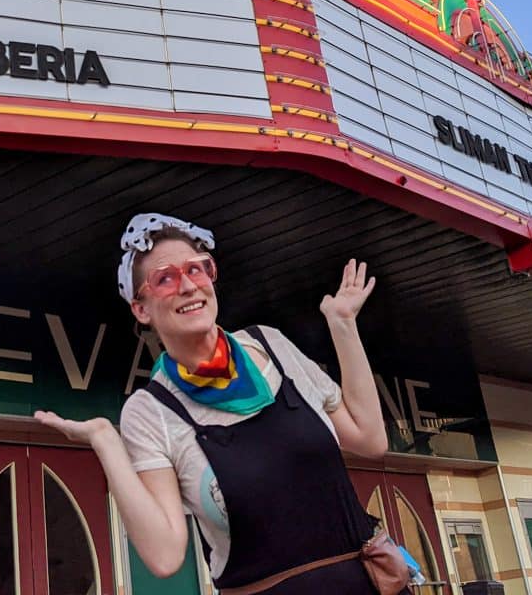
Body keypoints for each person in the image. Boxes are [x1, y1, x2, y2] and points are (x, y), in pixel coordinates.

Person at [36, 213, 391, 595]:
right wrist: (106, 441)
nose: (188, 286)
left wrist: (343, 325)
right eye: (165, 279)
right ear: (140, 308)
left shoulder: (272, 345)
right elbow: (165, 556)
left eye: (198, 269)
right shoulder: (151, 410)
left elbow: (370, 439)